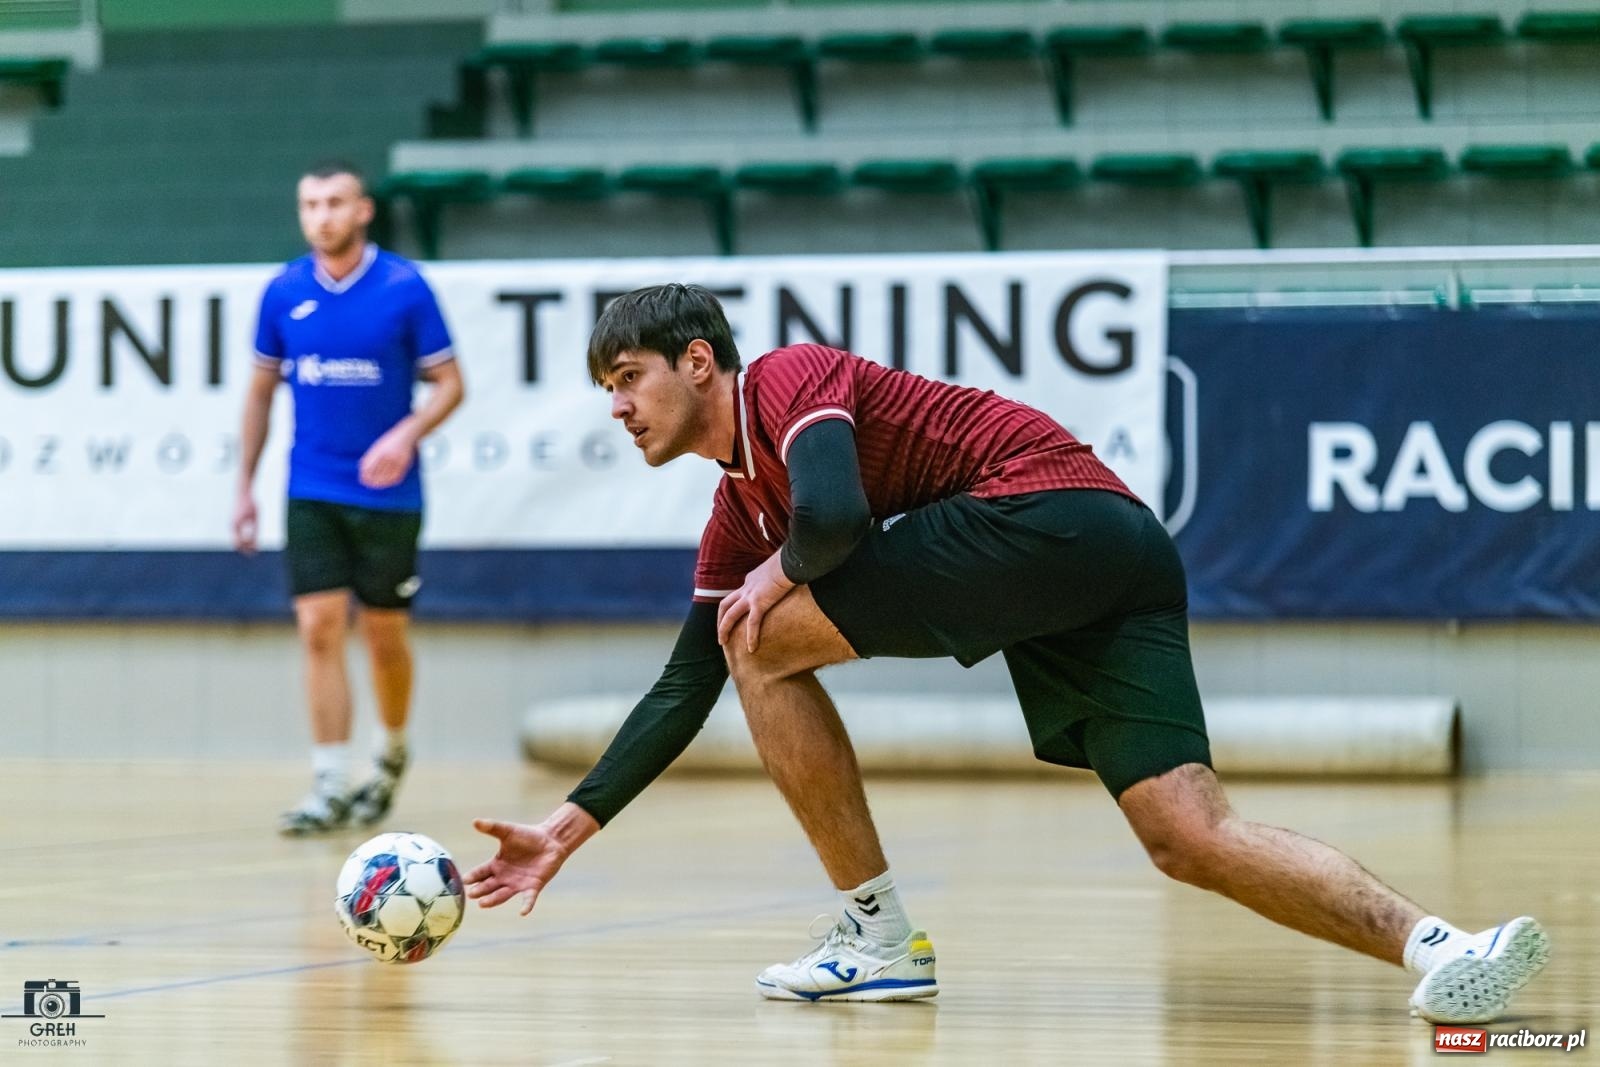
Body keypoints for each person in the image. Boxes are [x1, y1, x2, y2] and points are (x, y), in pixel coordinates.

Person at [464, 284, 1547, 1020]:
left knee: (759, 637)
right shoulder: (735, 515)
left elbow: (833, 517)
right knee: (1188, 834)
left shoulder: (788, 378)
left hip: (1044, 513)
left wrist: (777, 575)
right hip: (1116, 554)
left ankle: (878, 937)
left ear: (699, 362)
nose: (618, 407)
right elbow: (681, 685)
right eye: (606, 389)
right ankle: (1444, 947)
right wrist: (566, 827)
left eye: (628, 377)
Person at [233, 161, 465, 836]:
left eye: (335, 202)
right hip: (311, 485)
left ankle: (390, 753)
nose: (322, 216)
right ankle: (329, 782)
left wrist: (406, 434)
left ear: (363, 210)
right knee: (318, 627)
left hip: (388, 494)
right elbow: (259, 393)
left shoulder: (404, 286)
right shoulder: (283, 291)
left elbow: (451, 384)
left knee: (384, 633)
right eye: (310, 204)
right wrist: (244, 486)